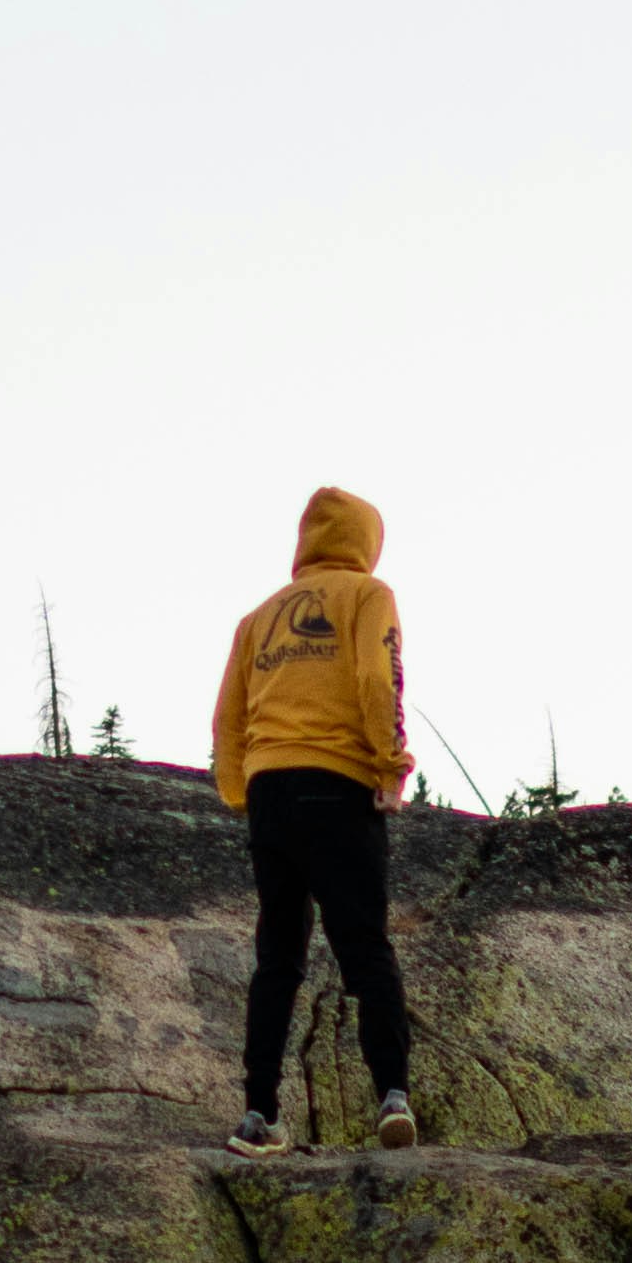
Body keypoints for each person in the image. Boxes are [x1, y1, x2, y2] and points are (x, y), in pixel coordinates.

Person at [208, 484, 416, 1148]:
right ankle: (391, 1096)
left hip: (271, 793)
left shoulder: (258, 618)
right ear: (366, 541)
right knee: (363, 947)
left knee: (278, 957)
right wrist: (389, 766)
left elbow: (227, 718)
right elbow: (376, 679)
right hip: (339, 784)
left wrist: (242, 793)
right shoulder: (367, 596)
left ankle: (258, 1114)